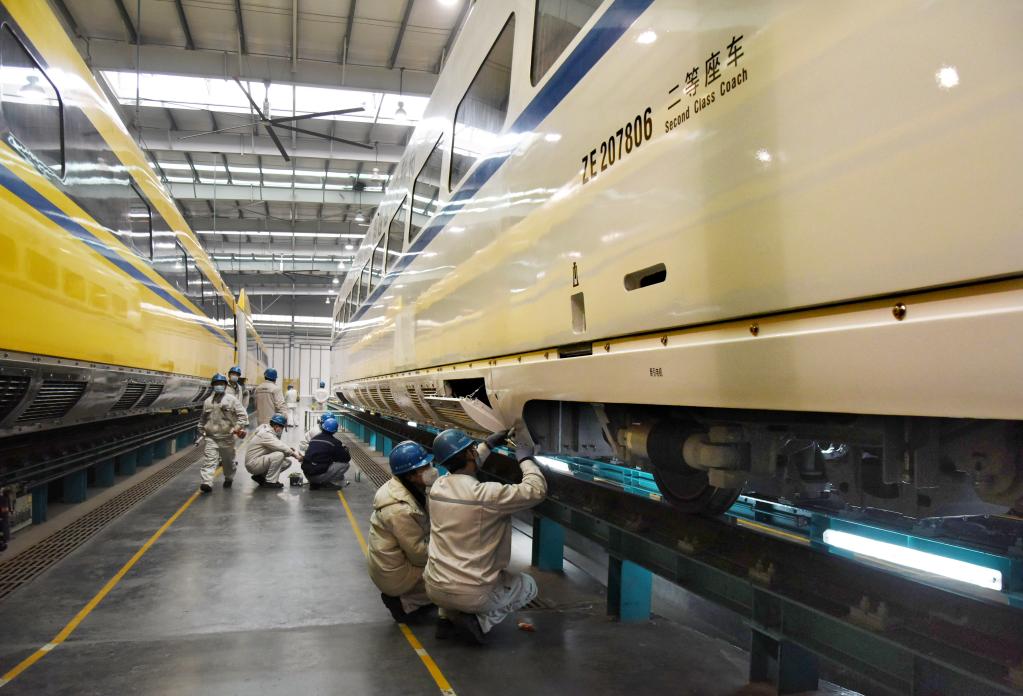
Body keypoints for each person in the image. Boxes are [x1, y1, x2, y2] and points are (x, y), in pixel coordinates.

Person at [424, 421, 547, 644]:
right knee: (528, 586)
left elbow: (463, 468)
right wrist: (526, 460)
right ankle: (480, 622)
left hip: (434, 587)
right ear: (469, 454)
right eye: (472, 449)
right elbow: (536, 490)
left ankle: (446, 618)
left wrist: (487, 445)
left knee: (450, 572)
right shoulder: (487, 495)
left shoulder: (437, 488)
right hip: (473, 593)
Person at [368, 441, 438, 623]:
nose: (431, 469)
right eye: (424, 467)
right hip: (396, 575)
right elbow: (419, 555)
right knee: (451, 580)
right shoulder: (398, 509)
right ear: (411, 475)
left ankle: (411, 597)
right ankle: (405, 603)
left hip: (393, 565)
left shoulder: (405, 487)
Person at [197, 373, 248, 493]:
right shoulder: (208, 401)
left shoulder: (232, 400)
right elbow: (203, 418)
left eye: (221, 384)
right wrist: (200, 429)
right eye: (216, 384)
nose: (218, 386)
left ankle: (229, 477)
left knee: (228, 462)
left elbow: (243, 416)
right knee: (209, 461)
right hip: (211, 437)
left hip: (227, 437)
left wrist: (237, 427)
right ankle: (206, 482)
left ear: (225, 386)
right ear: (213, 386)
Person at [245, 414, 300, 489]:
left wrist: (289, 450)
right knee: (279, 455)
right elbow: (281, 446)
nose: (282, 431)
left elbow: (277, 446)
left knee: (286, 462)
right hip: (253, 464)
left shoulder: (267, 431)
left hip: (257, 461)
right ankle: (270, 482)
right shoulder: (266, 434)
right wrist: (296, 456)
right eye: (282, 428)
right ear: (276, 426)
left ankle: (260, 476)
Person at [301, 417, 351, 490]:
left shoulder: (314, 439)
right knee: (345, 465)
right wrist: (345, 451)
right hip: (318, 476)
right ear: (334, 431)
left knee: (319, 462)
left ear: (322, 427)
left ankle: (315, 483)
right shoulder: (335, 442)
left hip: (307, 474)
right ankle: (327, 482)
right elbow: (346, 459)